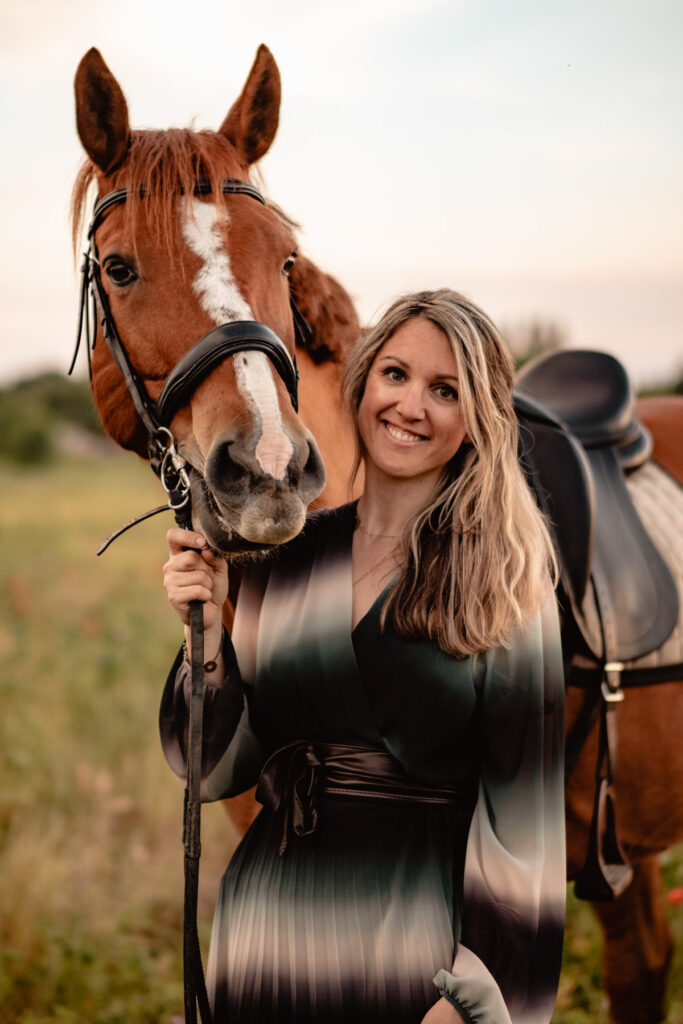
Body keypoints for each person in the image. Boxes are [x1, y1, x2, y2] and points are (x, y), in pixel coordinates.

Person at [160, 288, 566, 1024]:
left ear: (477, 418)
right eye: (396, 375)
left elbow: (523, 820)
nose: (411, 406)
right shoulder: (285, 558)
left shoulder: (501, 580)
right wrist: (208, 641)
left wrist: (479, 994)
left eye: (445, 390)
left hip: (410, 961)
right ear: (363, 382)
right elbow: (216, 770)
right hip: (264, 939)